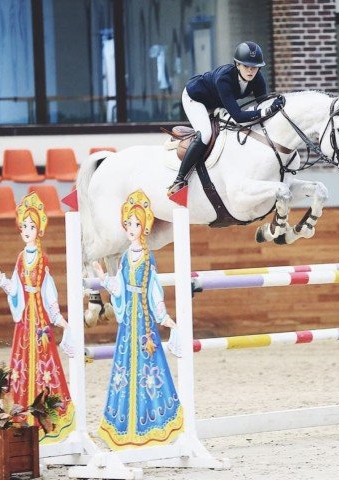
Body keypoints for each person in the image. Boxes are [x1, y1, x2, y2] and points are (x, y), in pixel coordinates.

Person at [93, 189, 183, 450]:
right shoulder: (124, 258)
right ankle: (125, 424)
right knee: (124, 365)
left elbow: (154, 287)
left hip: (143, 319)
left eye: (136, 223)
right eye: (129, 223)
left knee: (148, 365)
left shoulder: (147, 256)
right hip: (128, 320)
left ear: (145, 228)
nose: (132, 228)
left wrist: (163, 316)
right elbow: (119, 288)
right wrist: (104, 279)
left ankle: (150, 423)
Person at [0, 192, 75, 443]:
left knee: (45, 363)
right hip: (26, 316)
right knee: (22, 363)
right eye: (24, 225)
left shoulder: (42, 257)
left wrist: (57, 316)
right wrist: (2, 280)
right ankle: (22, 415)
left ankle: (46, 414)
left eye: (31, 226)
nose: (26, 229)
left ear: (39, 230)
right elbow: (16, 288)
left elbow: (48, 288)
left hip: (39, 317)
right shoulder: (19, 258)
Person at [166, 41, 283, 196]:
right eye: (246, 65)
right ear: (237, 64)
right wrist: (267, 110)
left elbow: (263, 105)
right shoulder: (225, 78)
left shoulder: (258, 79)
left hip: (218, 101)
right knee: (205, 134)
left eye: (254, 67)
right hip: (196, 98)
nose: (250, 70)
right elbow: (239, 116)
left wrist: (274, 108)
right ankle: (179, 180)